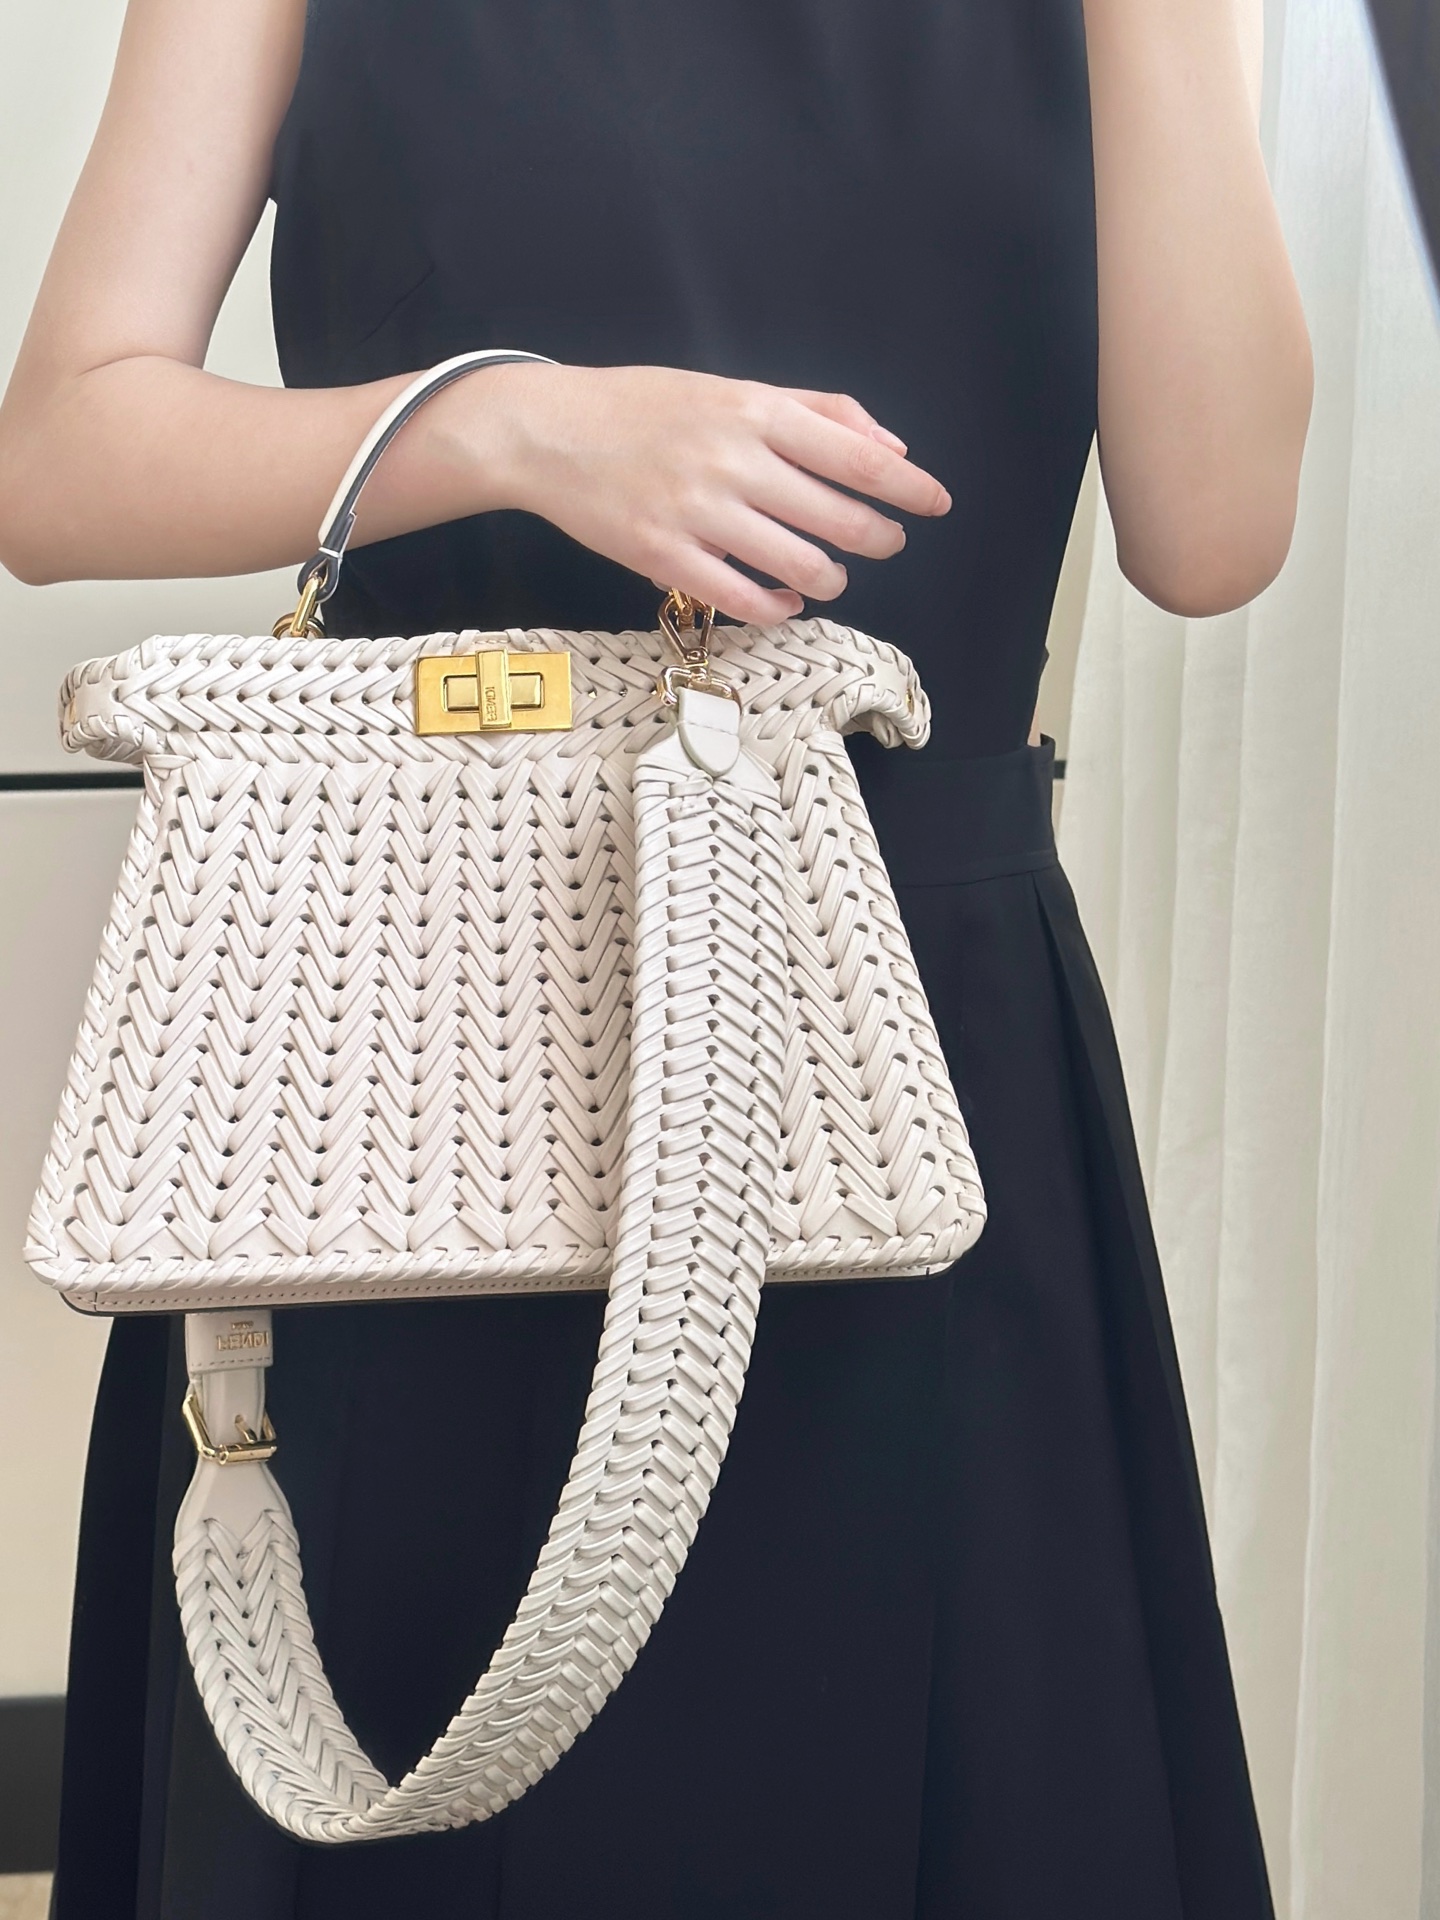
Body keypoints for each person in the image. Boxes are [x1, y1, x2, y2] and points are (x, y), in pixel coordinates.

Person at [0, 0, 1313, 1914]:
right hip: (420, 1044)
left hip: (914, 1064)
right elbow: (55, 458)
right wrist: (516, 425)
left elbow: (1216, 531)